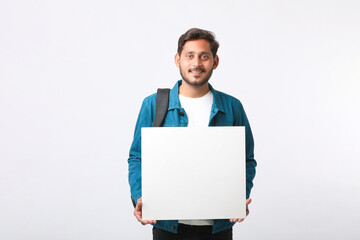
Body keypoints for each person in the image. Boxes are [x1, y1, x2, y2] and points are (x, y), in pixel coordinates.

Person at [128, 28, 257, 240]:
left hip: (218, 227)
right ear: (178, 59)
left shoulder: (232, 106)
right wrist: (140, 196)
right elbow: (137, 157)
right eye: (190, 56)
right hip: (167, 226)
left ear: (215, 62)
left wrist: (239, 195)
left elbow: (246, 160)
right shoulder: (153, 104)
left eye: (204, 56)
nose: (196, 63)